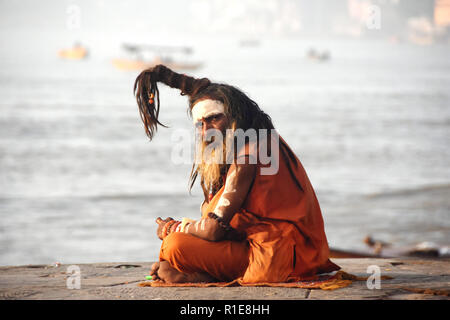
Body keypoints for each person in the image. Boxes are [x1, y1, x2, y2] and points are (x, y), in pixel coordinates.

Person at [134, 64, 340, 284]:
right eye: (200, 124)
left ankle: (193, 276)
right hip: (271, 250)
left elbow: (213, 230)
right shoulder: (254, 143)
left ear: (236, 117)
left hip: (276, 257)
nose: (206, 132)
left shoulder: (248, 156)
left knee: (173, 244)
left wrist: (173, 227)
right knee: (176, 247)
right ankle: (191, 274)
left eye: (214, 119)